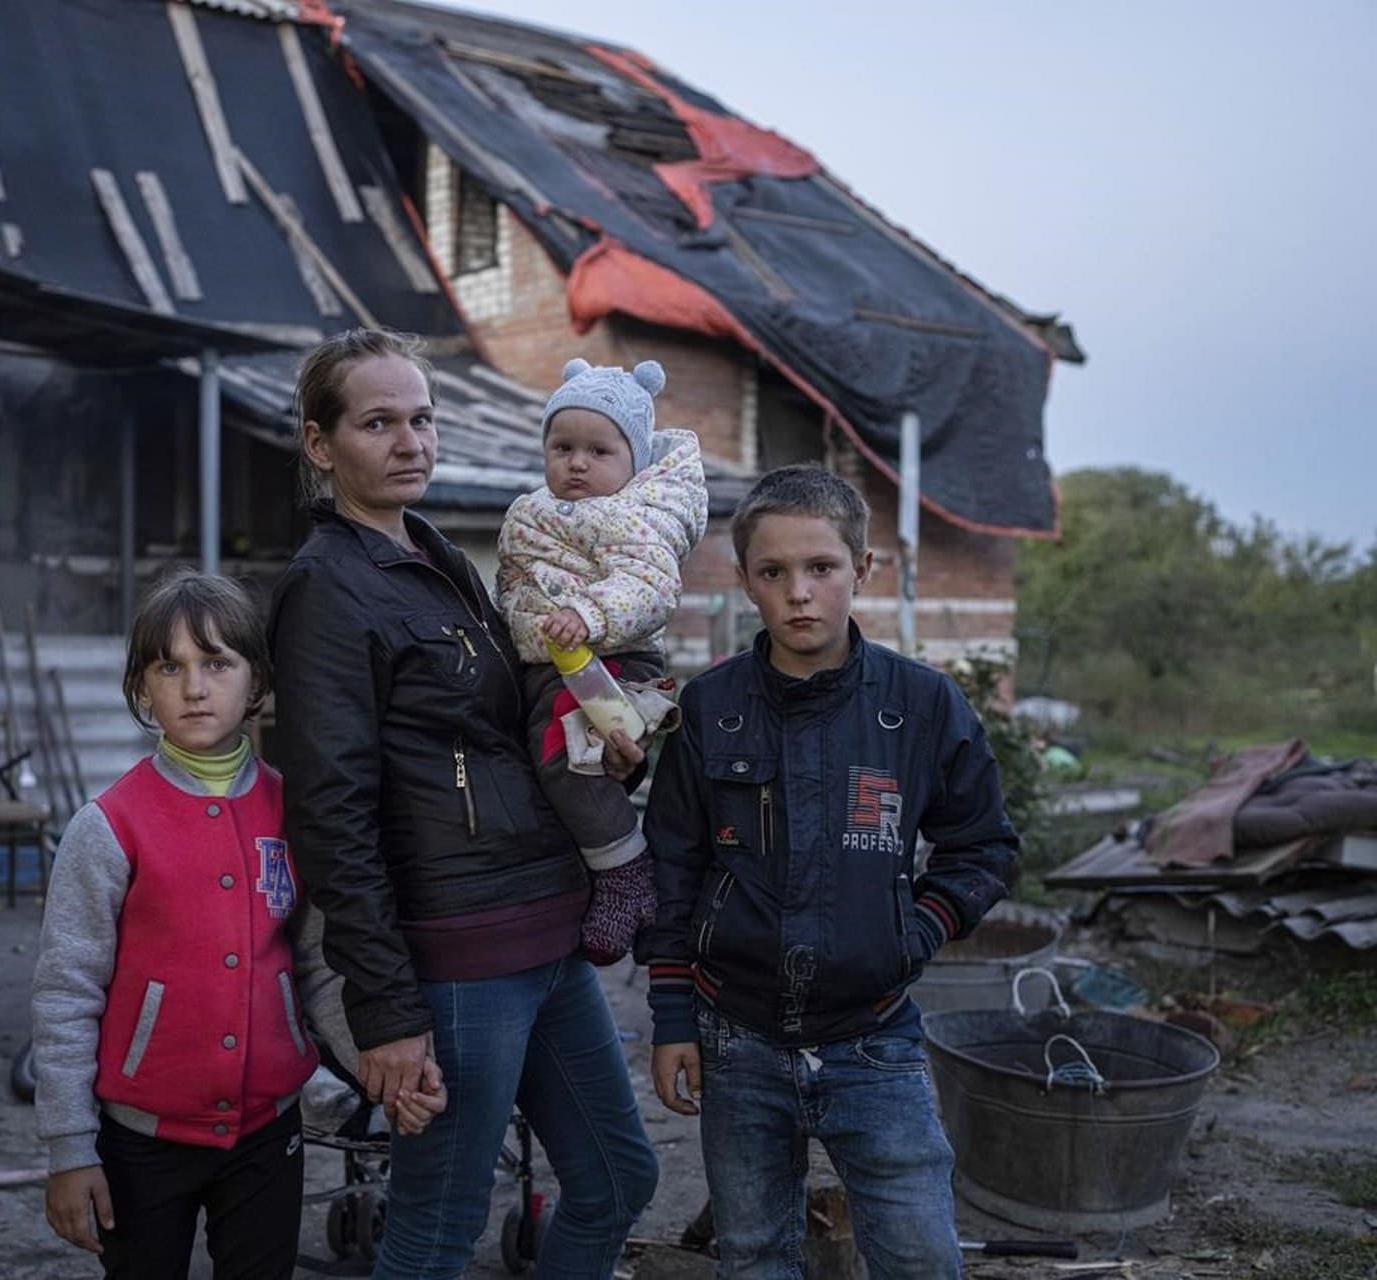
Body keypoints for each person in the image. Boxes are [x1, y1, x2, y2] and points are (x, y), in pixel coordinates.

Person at [268, 328, 660, 1278]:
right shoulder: (326, 589)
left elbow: (509, 738)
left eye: (424, 419)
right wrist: (388, 1015)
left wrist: (609, 750)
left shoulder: (444, 558)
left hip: (547, 929)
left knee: (618, 1177)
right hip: (458, 953)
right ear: (322, 446)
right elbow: (332, 816)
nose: (412, 442)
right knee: (438, 1232)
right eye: (379, 423)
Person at [638, 465, 1018, 1279]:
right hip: (735, 1043)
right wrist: (673, 1017)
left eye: (822, 568)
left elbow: (984, 847)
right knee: (752, 1255)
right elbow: (672, 868)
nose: (799, 593)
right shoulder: (712, 709)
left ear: (864, 570)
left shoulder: (922, 707)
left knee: (920, 1257)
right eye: (774, 573)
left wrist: (913, 933)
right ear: (745, 582)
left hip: (874, 1041)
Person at [29, 571, 444, 1279]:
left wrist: (389, 1075)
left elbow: (319, 965)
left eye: (217, 663)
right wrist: (70, 1149)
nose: (195, 687)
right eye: (171, 666)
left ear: (257, 685)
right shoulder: (107, 827)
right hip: (142, 1140)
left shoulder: (296, 813)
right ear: (141, 690)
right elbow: (67, 994)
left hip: (267, 1133)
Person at [496, 356, 708, 964]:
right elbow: (511, 586)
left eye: (599, 451)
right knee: (542, 760)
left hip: (612, 661)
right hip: (548, 660)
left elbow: (649, 586)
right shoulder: (528, 512)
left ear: (633, 461)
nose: (577, 463)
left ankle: (624, 870)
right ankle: (587, 868)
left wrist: (589, 614)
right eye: (562, 447)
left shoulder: (635, 517)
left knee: (567, 757)